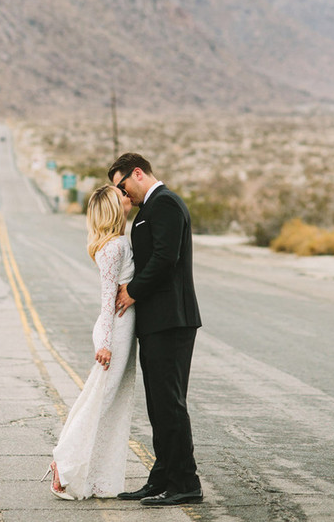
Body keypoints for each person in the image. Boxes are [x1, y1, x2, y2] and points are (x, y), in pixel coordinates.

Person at [108, 152, 203, 506]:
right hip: (156, 322)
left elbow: (166, 257)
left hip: (171, 320)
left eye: (122, 186)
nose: (123, 194)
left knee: (169, 404)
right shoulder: (150, 207)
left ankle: (186, 483)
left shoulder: (166, 204)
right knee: (158, 405)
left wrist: (131, 291)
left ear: (137, 173)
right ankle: (162, 477)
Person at [42, 184, 137, 500]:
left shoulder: (119, 242)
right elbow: (108, 299)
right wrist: (106, 343)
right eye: (121, 196)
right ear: (112, 208)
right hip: (116, 332)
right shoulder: (113, 248)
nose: (127, 196)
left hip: (122, 330)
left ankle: (93, 475)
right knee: (100, 402)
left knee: (105, 402)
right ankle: (64, 463)